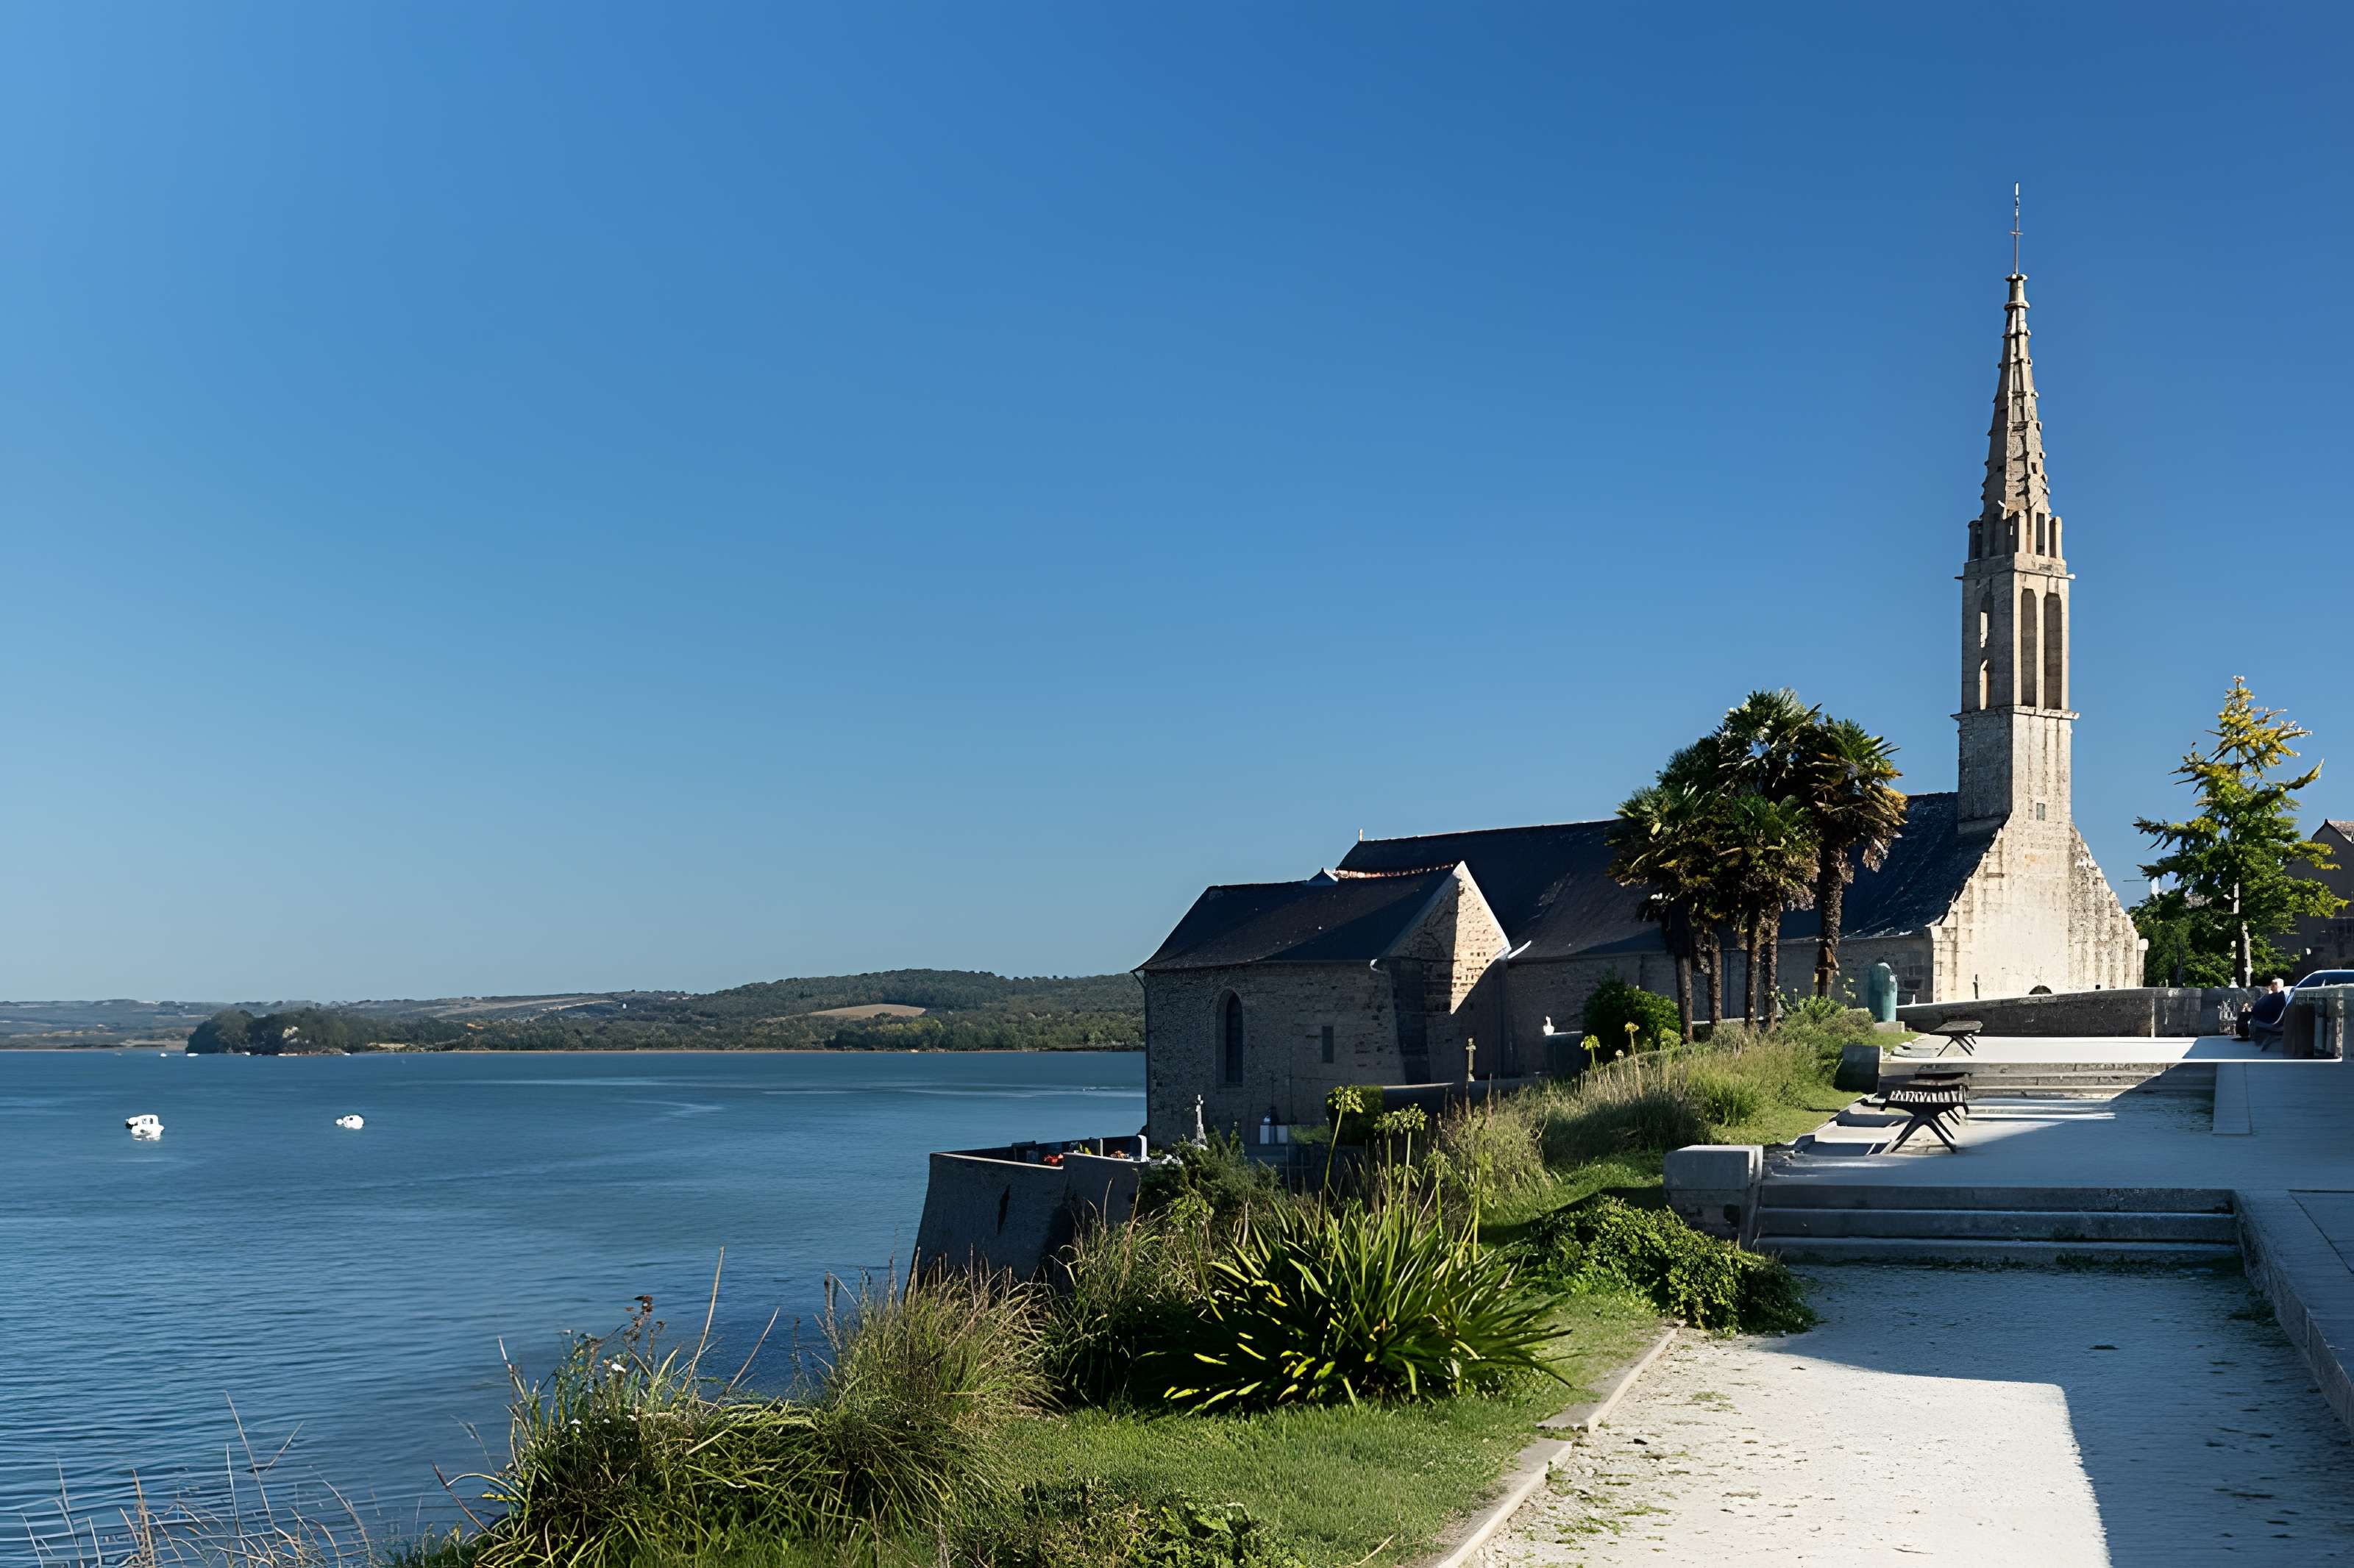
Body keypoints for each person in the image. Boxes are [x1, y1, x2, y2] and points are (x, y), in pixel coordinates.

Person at [2245, 977, 2291, 1050]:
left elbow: (2254, 1012)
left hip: (2261, 1022)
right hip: (2271, 1024)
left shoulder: (2266, 997)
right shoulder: (2282, 998)